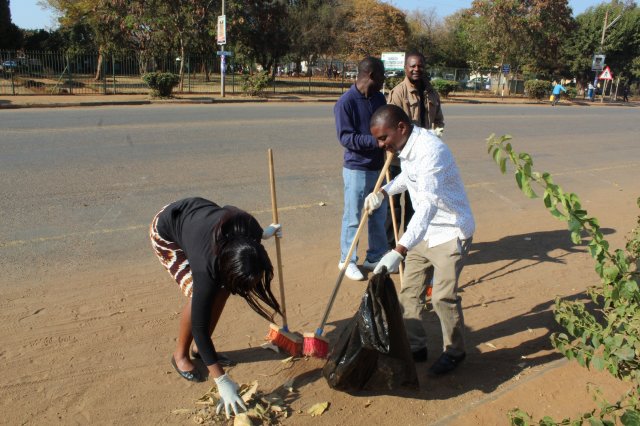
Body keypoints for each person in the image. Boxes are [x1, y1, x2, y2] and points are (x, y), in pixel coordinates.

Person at [364, 105, 475, 376]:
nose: (381, 145)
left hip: (450, 232)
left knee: (442, 297)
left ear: (401, 128)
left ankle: (455, 351)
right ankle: (416, 346)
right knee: (409, 293)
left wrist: (399, 249)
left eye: (383, 138)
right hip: (424, 232)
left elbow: (426, 207)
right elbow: (408, 177)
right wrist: (384, 192)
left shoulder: (431, 151)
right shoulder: (407, 147)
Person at [149, 197, 282, 418]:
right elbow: (199, 327)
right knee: (198, 296)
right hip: (166, 231)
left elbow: (232, 212)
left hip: (199, 221)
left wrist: (264, 233)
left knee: (224, 289)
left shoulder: (248, 226)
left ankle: (201, 352)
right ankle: (180, 355)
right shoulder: (205, 268)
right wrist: (222, 379)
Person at [334, 56, 388, 281]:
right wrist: (375, 143)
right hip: (357, 169)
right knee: (354, 216)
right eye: (383, 75)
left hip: (379, 167)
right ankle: (347, 260)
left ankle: (375, 256)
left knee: (378, 215)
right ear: (372, 75)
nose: (385, 79)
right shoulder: (345, 102)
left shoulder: (379, 98)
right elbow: (346, 138)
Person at [387, 50, 444, 249]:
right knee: (392, 207)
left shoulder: (432, 93)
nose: (416, 69)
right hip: (398, 159)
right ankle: (390, 250)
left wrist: (437, 133)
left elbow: (439, 121)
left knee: (416, 206)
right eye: (412, 66)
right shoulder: (398, 93)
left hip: (422, 160)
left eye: (420, 65)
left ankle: (409, 248)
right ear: (405, 68)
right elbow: (389, 124)